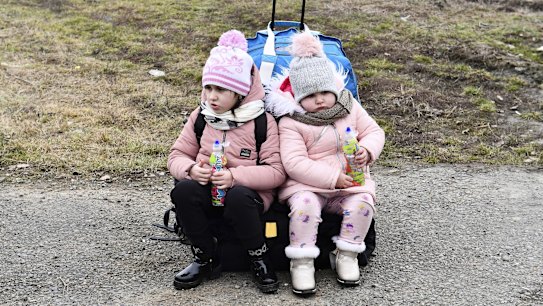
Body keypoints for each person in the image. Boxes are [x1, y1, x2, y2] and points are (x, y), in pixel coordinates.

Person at [264, 32, 385, 295]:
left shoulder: (349, 107)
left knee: (363, 203)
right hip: (307, 186)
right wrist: (332, 178)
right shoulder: (292, 121)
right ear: (297, 97)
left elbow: (375, 132)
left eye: (324, 92)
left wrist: (367, 150)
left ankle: (347, 253)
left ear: (334, 88)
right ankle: (302, 260)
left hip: (350, 185)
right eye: (311, 95)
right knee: (304, 207)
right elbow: (294, 162)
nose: (319, 100)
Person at [168, 30, 286, 293]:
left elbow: (277, 172)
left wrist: (235, 177)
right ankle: (204, 255)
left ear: (241, 91)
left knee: (239, 196)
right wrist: (191, 170)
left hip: (248, 198)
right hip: (209, 190)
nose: (211, 96)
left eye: (221, 89)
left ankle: (259, 256)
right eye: (208, 87)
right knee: (183, 189)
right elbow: (176, 156)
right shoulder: (201, 116)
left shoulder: (262, 121)